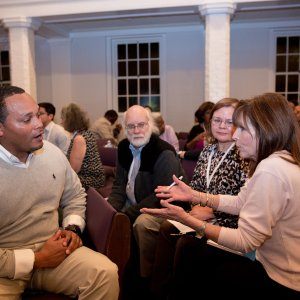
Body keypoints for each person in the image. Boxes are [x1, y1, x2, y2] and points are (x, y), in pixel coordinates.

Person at [142, 93, 300, 298]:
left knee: (191, 251)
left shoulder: (271, 169)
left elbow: (245, 241)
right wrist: (194, 196)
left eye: (242, 128)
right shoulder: (279, 160)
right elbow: (242, 202)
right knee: (190, 250)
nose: (235, 135)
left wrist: (187, 219)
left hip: (279, 279)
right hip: (276, 266)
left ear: (265, 131)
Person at [0, 86, 119, 299]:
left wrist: (72, 227)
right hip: (6, 263)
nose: (39, 124)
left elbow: (74, 195)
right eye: (27, 120)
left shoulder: (51, 153)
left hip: (54, 248)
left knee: (105, 273)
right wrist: (37, 259)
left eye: (37, 115)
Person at [146, 98, 249, 299]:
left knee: (186, 243)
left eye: (229, 122)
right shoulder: (207, 151)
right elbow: (197, 188)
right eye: (217, 120)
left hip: (229, 221)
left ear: (239, 125)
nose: (221, 126)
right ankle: (158, 291)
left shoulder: (244, 153)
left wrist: (211, 211)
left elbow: (244, 200)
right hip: (201, 213)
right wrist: (195, 207)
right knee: (167, 227)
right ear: (209, 123)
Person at [108, 105, 187, 281]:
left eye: (141, 125)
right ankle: (119, 268)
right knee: (106, 211)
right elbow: (119, 185)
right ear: (124, 128)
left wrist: (126, 214)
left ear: (150, 125)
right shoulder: (123, 147)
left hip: (166, 206)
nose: (136, 131)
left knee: (142, 223)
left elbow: (163, 195)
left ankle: (147, 278)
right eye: (131, 126)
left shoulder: (163, 152)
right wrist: (111, 211)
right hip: (135, 202)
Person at [61, 103, 105, 191]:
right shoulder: (85, 133)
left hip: (89, 180)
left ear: (70, 120)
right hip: (93, 178)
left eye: (63, 118)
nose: (61, 122)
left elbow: (73, 170)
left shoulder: (79, 139)